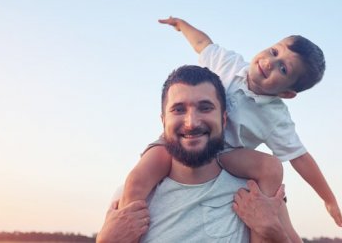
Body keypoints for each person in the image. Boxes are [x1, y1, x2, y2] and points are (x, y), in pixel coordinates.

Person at [120, 16, 342, 240]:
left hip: (227, 154)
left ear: (286, 93)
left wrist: (328, 199)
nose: (271, 62)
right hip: (180, 141)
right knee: (138, 178)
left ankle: (261, 233)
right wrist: (182, 25)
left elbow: (300, 158)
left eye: (283, 69)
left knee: (271, 172)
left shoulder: (276, 117)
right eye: (274, 51)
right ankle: (124, 226)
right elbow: (202, 44)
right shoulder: (228, 62)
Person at [97, 65, 291, 243]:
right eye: (179, 109)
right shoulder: (131, 200)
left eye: (205, 108)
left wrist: (274, 232)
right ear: (163, 121)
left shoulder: (255, 196)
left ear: (223, 120)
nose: (191, 122)